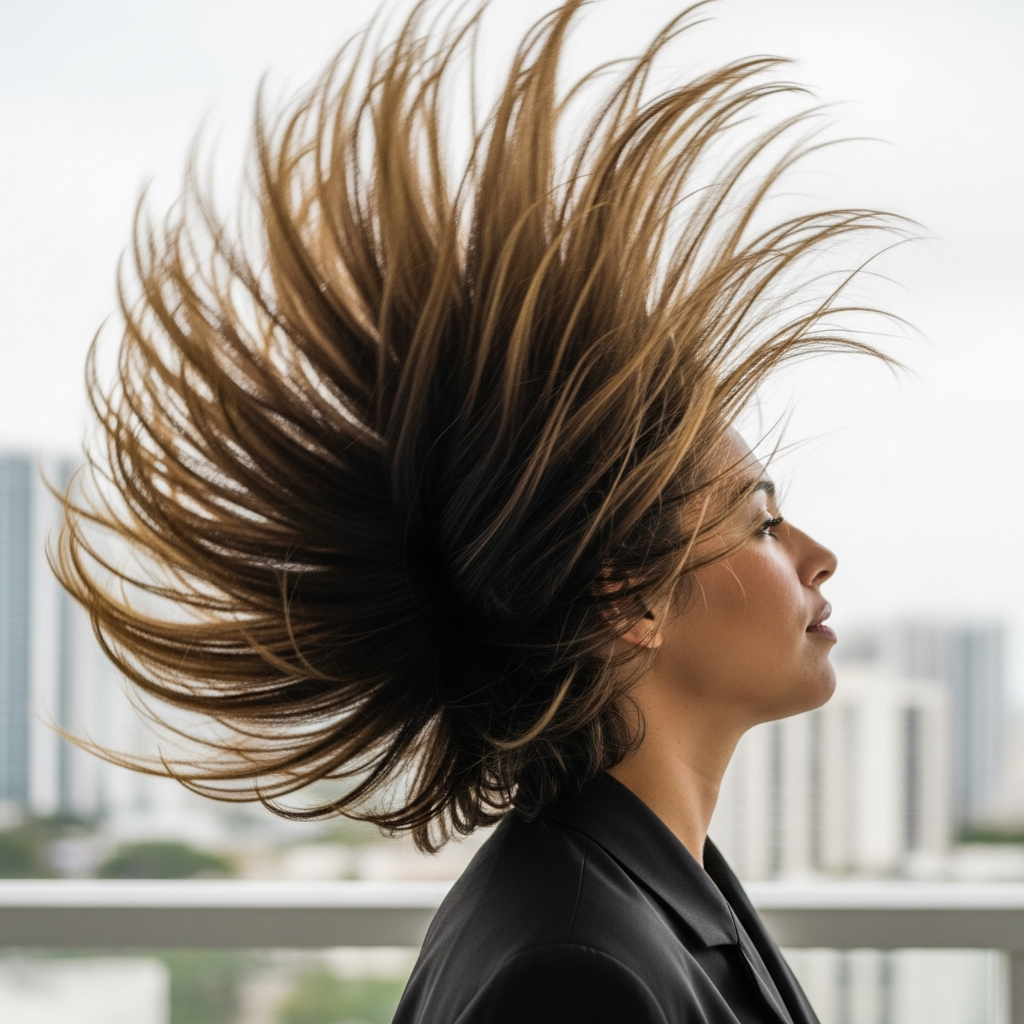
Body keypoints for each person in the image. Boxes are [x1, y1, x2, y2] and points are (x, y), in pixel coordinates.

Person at [55, 2, 900, 1021]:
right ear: (627, 594)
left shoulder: (645, 892)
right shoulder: (578, 968)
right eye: (761, 522)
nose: (818, 556)